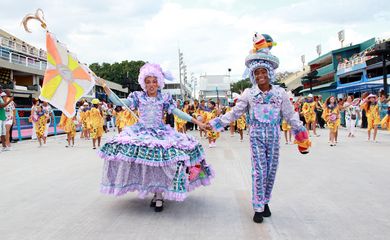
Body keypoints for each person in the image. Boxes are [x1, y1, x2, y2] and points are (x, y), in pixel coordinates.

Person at [207, 34, 310, 223]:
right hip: (256, 137)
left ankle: (265, 201)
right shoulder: (249, 93)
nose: (260, 76)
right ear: (253, 75)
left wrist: (301, 136)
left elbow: (290, 115)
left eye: (264, 72)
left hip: (273, 136)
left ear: (270, 73)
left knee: (271, 171)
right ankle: (257, 206)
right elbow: (234, 113)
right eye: (257, 73)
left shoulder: (280, 93)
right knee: (259, 171)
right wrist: (214, 124)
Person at [97, 63, 213, 212]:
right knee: (147, 163)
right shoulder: (138, 97)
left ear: (159, 82)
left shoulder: (164, 98)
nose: (151, 84)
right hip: (141, 133)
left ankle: (159, 195)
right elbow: (118, 102)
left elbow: (178, 113)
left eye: (154, 81)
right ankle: (155, 192)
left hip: (160, 133)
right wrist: (105, 87)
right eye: (148, 81)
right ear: (143, 83)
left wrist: (198, 123)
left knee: (164, 162)